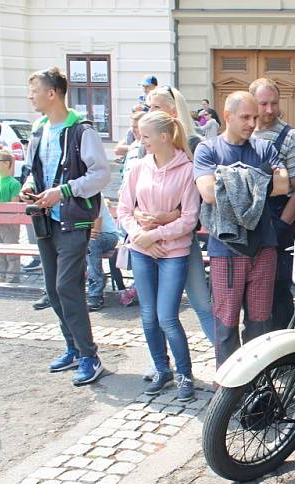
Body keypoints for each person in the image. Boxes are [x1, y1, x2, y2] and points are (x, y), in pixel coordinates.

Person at [20, 67, 110, 386]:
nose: (30, 95)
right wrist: (30, 185)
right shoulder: (39, 128)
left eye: (34, 89)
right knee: (52, 288)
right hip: (45, 219)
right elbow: (36, 171)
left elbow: (101, 175)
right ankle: (73, 347)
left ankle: (89, 356)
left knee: (66, 287)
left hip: (73, 219)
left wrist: (64, 191)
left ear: (52, 93)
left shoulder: (81, 130)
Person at [118, 112, 200, 401]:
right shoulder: (138, 167)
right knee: (148, 316)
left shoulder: (187, 170)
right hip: (142, 250)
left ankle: (185, 374)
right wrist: (139, 236)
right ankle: (162, 369)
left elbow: (190, 219)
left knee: (167, 317)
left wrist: (153, 236)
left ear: (163, 137)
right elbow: (124, 210)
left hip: (172, 253)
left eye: (146, 135)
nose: (142, 140)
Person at [194, 91, 281, 368]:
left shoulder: (265, 148)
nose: (252, 123)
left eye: (255, 117)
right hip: (226, 249)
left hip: (264, 246)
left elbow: (282, 185)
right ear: (228, 116)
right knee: (226, 325)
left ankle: (258, 389)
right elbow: (208, 192)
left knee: (260, 326)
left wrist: (227, 179)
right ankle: (228, 397)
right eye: (246, 117)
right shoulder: (208, 149)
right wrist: (257, 178)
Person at [140, 84, 215, 351]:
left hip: (183, 240)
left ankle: (226, 359)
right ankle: (162, 366)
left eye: (156, 107)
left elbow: (195, 202)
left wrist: (171, 216)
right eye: (149, 107)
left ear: (173, 111)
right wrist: (144, 224)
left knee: (201, 304)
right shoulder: (146, 148)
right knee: (155, 312)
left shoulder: (194, 146)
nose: (150, 112)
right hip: (150, 243)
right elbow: (134, 197)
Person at [249, 77, 295, 331]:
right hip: (246, 222)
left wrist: (284, 225)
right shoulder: (242, 133)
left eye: (274, 103)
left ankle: (283, 346)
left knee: (280, 291)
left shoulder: (291, 137)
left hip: (277, 219)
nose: (270, 109)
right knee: (248, 291)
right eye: (263, 104)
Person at [0, 149, 22, 282]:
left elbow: (13, 205)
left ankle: (13, 276)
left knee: (11, 250)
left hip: (9, 223)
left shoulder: (13, 183)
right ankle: (0, 275)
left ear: (6, 163)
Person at [85, 198, 118, 311]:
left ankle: (95, 293)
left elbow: (95, 230)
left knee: (91, 242)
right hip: (83, 236)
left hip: (108, 236)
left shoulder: (93, 194)